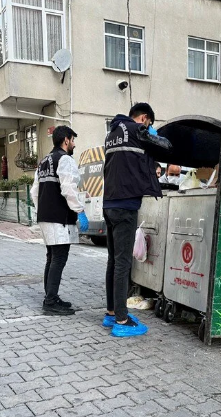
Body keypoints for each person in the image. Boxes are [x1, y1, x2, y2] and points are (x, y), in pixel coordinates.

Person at [103, 102, 172, 337]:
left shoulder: (112, 133)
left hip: (109, 204)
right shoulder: (136, 130)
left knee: (114, 260)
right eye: (149, 123)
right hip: (125, 205)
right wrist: (152, 133)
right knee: (123, 263)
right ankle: (122, 320)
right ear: (143, 118)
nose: (149, 127)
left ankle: (112, 311)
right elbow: (166, 146)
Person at [30, 125, 89, 316]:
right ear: (66, 140)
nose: (74, 144)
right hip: (59, 218)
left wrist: (42, 211)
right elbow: (68, 188)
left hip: (46, 217)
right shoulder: (65, 160)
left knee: (51, 258)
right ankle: (50, 301)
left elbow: (34, 192)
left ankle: (51, 296)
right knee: (59, 259)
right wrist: (79, 211)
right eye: (73, 140)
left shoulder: (44, 161)